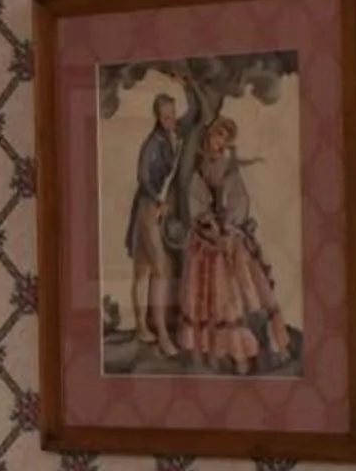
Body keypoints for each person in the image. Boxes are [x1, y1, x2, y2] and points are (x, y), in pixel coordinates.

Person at [180, 114, 290, 373]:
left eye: (224, 139)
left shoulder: (229, 168)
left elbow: (239, 200)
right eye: (216, 136)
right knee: (209, 295)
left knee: (243, 291)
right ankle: (214, 352)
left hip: (229, 236)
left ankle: (248, 351)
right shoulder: (198, 169)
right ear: (208, 136)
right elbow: (195, 201)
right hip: (205, 240)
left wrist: (229, 226)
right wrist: (208, 224)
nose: (218, 142)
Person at [123, 93, 184, 360]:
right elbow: (143, 176)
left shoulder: (174, 137)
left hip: (160, 208)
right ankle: (160, 333)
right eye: (165, 116)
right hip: (149, 208)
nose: (170, 119)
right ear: (158, 117)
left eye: (172, 114)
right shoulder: (153, 143)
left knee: (146, 267)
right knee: (154, 269)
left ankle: (143, 327)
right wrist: (158, 198)